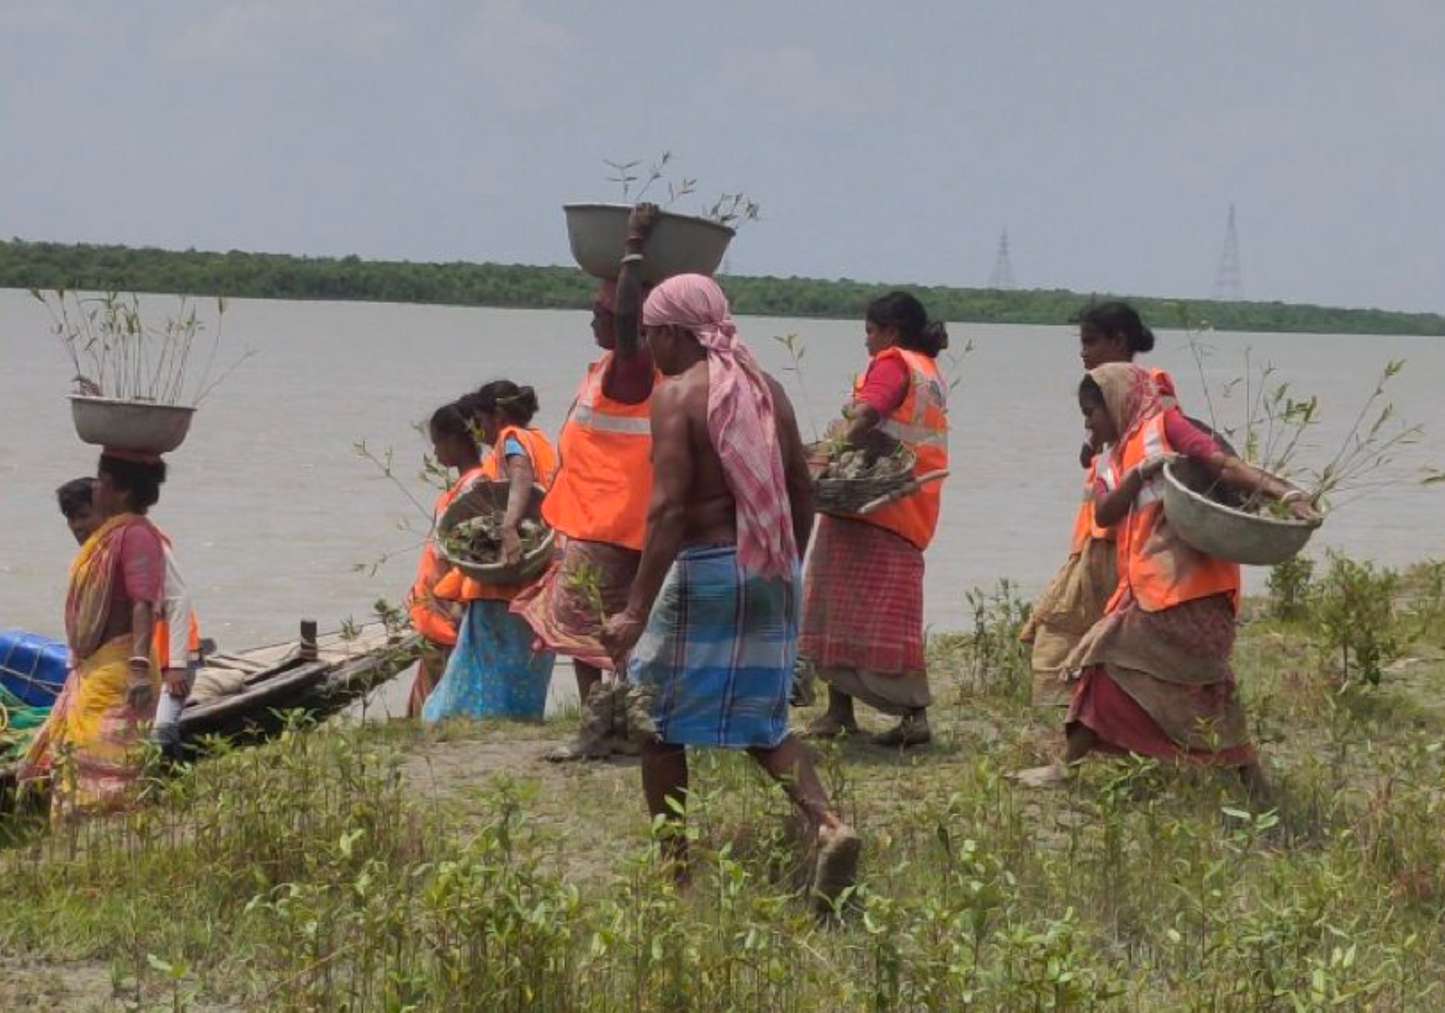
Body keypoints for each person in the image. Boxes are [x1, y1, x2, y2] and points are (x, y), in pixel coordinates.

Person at [601, 274, 860, 908]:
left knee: (658, 728)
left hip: (706, 570)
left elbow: (666, 511)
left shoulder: (679, 395)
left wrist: (635, 609)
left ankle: (676, 875)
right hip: (769, 568)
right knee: (765, 723)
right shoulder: (766, 390)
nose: (648, 347)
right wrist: (785, 567)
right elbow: (803, 488)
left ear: (668, 331)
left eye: (649, 334)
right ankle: (830, 826)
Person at [1015, 364, 1319, 793]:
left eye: (1091, 412)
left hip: (1195, 591)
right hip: (1146, 587)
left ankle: (1070, 769)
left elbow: (1225, 465)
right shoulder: (1112, 454)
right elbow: (1104, 512)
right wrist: (1139, 474)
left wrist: (1284, 493)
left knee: (1174, 677)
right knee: (1158, 679)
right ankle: (1248, 779)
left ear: (1116, 402)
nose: (1088, 423)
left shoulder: (1165, 426)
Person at [513, 203, 659, 761]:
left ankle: (599, 734)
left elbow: (627, 323)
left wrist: (633, 243)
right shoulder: (611, 370)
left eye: (601, 308)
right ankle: (618, 730)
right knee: (613, 637)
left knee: (587, 637)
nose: (594, 317)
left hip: (611, 527)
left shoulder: (634, 365)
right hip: (611, 522)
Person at [801, 292, 950, 748]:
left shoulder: (892, 363)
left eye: (869, 331)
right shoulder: (927, 369)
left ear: (889, 331)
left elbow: (868, 412)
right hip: (908, 503)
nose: (866, 341)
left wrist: (828, 454)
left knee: (861, 609)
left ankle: (911, 715)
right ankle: (841, 711)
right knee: (858, 605)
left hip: (876, 504)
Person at [1021, 302, 1176, 706]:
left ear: (1119, 341)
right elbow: (1095, 456)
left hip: (1127, 535)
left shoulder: (1151, 388)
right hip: (1096, 531)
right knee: (1073, 626)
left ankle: (1084, 709)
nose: (1083, 352)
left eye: (1091, 341)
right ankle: (1080, 707)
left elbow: (1167, 449)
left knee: (1082, 627)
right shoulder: (1103, 392)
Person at [23, 453, 169, 816]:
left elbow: (142, 602)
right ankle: (78, 830)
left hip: (121, 669)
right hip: (96, 666)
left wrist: (137, 668)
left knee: (105, 755)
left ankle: (107, 828)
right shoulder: (112, 535)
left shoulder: (135, 535)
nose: (96, 486)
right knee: (76, 749)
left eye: (102, 480)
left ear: (120, 491)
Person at [424, 382, 559, 723]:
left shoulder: (510, 438)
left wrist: (510, 526)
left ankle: (468, 721)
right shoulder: (542, 440)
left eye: (481, 421)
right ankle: (519, 720)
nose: (479, 430)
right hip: (540, 574)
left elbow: (520, 474)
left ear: (497, 416)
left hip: (505, 578)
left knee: (485, 667)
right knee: (524, 662)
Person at [53, 473, 200, 765]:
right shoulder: (99, 551)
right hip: (123, 660)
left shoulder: (141, 540)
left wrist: (177, 667)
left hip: (166, 656)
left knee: (160, 729)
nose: (77, 526)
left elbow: (178, 600)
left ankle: (173, 786)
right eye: (71, 518)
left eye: (84, 515)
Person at [405, 400, 488, 717]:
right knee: (433, 676)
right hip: (437, 601)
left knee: (439, 683)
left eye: (438, 442)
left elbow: (468, 553)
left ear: (455, 440)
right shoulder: (466, 486)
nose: (436, 452)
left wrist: (456, 604)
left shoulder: (475, 488)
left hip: (447, 605)